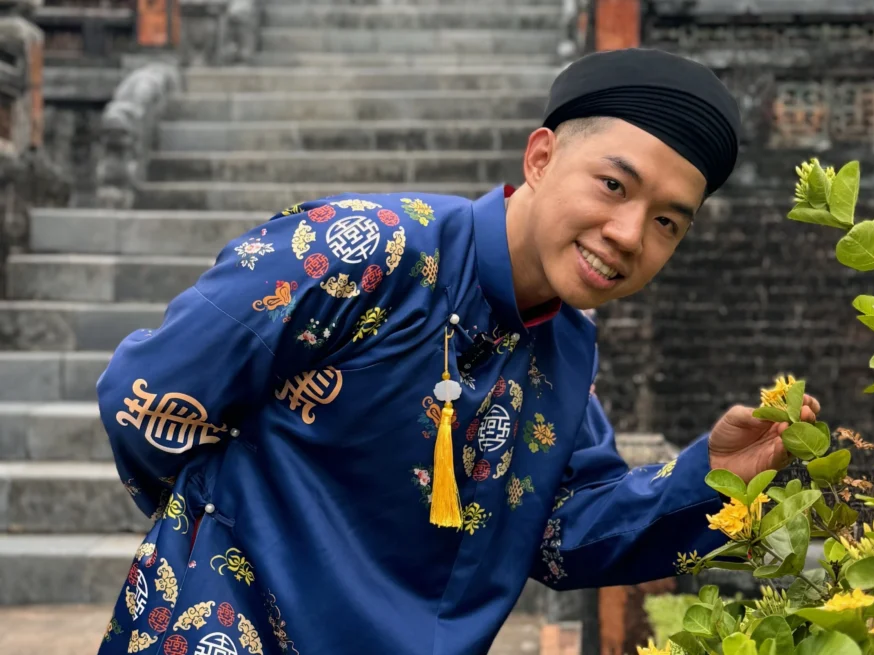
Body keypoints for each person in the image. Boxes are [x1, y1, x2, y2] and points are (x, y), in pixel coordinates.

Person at [96, 48, 820, 655]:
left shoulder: (566, 350)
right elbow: (148, 391)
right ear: (541, 157)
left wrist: (712, 477)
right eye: (612, 185)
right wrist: (220, 528)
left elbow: (560, 535)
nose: (629, 234)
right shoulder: (364, 249)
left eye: (666, 222)